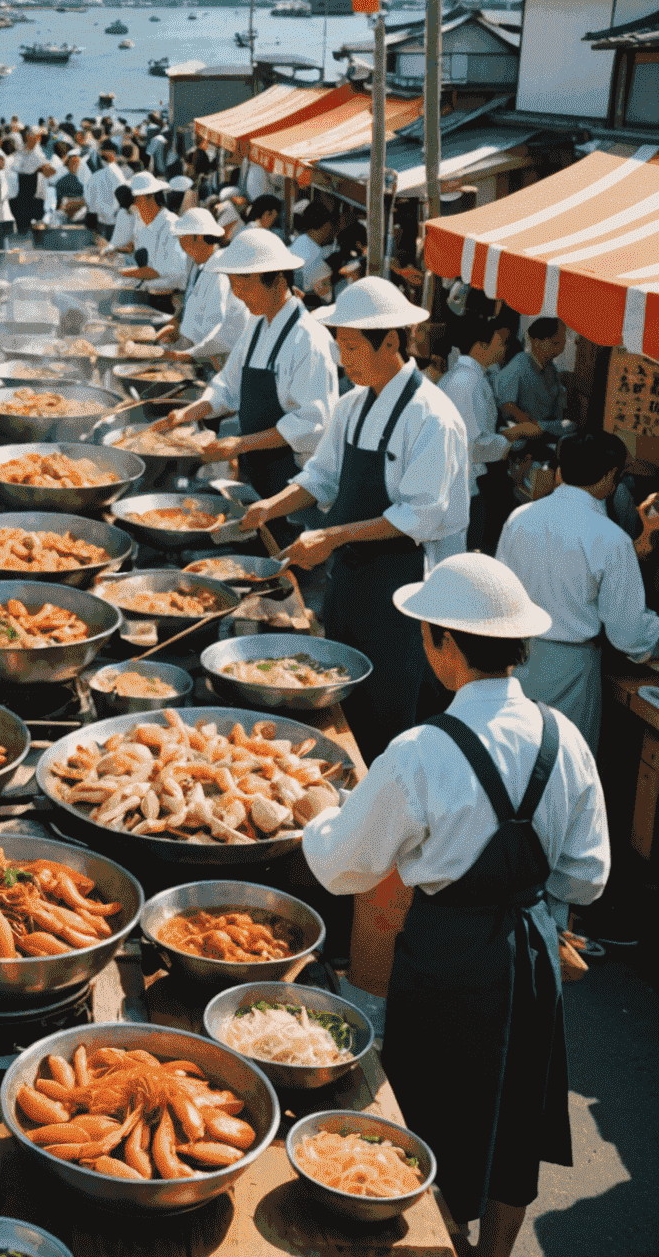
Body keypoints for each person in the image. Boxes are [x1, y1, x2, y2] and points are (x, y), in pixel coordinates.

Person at [303, 553, 610, 1257]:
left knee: (428, 1107)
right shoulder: (566, 741)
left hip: (444, 955)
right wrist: (536, 906)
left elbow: (341, 866)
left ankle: (439, 1236)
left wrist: (321, 811)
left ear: (444, 646)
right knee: (516, 1113)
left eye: (426, 634)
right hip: (529, 952)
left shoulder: (420, 751)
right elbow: (588, 875)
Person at [241, 277, 470, 761]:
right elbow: (321, 477)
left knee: (388, 718)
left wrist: (332, 535)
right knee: (339, 703)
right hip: (349, 585)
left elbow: (421, 516)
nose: (343, 359)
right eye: (339, 345)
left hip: (403, 600)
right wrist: (270, 506)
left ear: (390, 342)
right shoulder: (352, 405)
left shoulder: (433, 417)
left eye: (350, 346)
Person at [497, 430, 659, 747]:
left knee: (514, 759)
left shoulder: (520, 518)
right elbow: (628, 634)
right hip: (569, 667)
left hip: (515, 659)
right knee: (561, 768)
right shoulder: (610, 539)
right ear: (611, 475)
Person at [155, 229, 338, 504]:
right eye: (234, 287)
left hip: (294, 484)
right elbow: (229, 384)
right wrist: (187, 413)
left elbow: (312, 425)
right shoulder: (256, 323)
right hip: (257, 474)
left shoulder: (308, 340)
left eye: (245, 286)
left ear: (277, 280)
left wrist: (241, 444)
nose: (240, 296)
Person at [440, 310, 537, 551]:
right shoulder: (467, 383)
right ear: (480, 346)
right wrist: (514, 434)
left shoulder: (464, 378)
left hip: (461, 480)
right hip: (466, 481)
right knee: (470, 548)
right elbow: (475, 446)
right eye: (499, 341)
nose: (504, 347)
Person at [155, 208, 247, 361]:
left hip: (215, 360)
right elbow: (191, 302)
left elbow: (216, 328)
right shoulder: (198, 264)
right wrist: (177, 323)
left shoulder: (220, 271)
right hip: (196, 352)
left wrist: (187, 356)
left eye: (182, 236)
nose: (179, 242)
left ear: (196, 237)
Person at [496, 317, 569, 436]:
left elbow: (559, 410)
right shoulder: (520, 363)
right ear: (536, 341)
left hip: (545, 429)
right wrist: (530, 426)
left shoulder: (552, 370)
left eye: (562, 343)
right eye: (555, 343)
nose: (560, 347)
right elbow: (507, 405)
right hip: (522, 431)